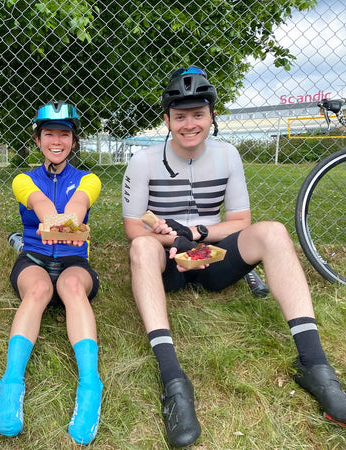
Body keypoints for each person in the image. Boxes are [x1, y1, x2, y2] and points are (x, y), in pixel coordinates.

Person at [122, 66, 346, 447]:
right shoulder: (143, 161)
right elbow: (133, 227)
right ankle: (173, 379)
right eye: (180, 117)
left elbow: (241, 221)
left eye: (198, 115)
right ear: (167, 121)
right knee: (140, 245)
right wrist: (162, 236)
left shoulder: (229, 155)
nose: (189, 124)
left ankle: (314, 364)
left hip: (213, 256)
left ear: (211, 118)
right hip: (166, 260)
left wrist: (199, 233)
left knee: (273, 231)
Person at [0, 101, 103, 445]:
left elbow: (78, 205)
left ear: (74, 141)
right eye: (49, 134)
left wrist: (69, 220)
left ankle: (90, 383)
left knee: (72, 287)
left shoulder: (89, 179)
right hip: (35, 259)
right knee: (38, 291)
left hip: (74, 261)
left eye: (64, 135)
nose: (57, 141)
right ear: (38, 141)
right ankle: (11, 381)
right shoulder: (23, 179)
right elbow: (39, 203)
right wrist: (50, 220)